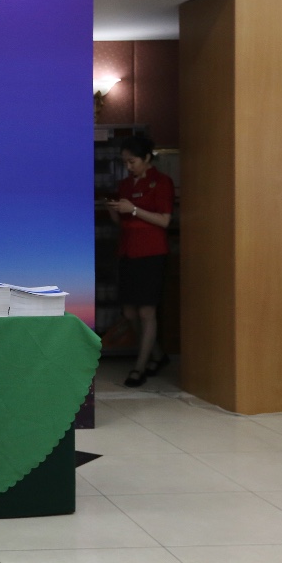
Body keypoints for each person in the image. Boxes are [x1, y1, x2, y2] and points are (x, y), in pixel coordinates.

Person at [105, 135, 173, 388]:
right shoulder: (124, 184)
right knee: (129, 311)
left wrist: (133, 209)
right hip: (127, 251)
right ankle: (157, 355)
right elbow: (121, 223)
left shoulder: (161, 182)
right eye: (125, 162)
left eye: (132, 161)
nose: (128, 166)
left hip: (151, 252)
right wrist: (113, 209)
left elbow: (164, 220)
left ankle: (139, 367)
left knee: (146, 311)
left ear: (146, 158)